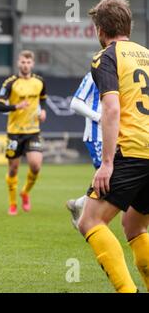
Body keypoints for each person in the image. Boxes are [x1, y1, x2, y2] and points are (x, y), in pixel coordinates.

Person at [77, 0, 149, 293]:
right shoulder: (146, 54)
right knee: (134, 225)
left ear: (100, 29)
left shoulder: (106, 56)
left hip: (131, 151)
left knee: (89, 220)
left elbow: (111, 109)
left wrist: (107, 163)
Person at [0, 50, 47, 215]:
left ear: (32, 64)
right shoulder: (10, 83)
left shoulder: (39, 82)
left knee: (36, 166)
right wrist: (16, 106)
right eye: (23, 62)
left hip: (33, 131)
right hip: (14, 132)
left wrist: (43, 111)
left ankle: (25, 192)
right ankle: (12, 203)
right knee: (13, 170)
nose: (25, 65)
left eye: (28, 62)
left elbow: (43, 99)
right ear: (19, 63)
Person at [66, 73, 102, 229]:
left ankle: (79, 204)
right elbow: (75, 103)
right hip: (98, 135)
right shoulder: (95, 74)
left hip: (119, 134)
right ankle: (87, 220)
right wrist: (99, 117)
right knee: (109, 179)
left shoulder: (124, 71)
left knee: (114, 180)